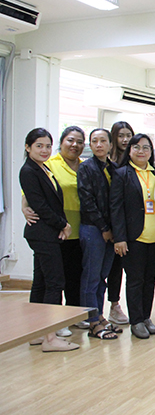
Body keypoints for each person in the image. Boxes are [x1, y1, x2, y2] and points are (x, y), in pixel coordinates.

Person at [23, 126, 86, 336]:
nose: (44, 150)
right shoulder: (38, 168)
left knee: (50, 279)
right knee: (53, 281)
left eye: (47, 146)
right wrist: (62, 224)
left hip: (65, 229)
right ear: (28, 147)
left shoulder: (44, 169)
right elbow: (37, 200)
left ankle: (40, 328)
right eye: (39, 146)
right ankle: (51, 328)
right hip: (50, 230)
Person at [110, 134, 155, 339]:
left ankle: (146, 316)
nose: (141, 151)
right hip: (133, 237)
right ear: (129, 150)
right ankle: (136, 320)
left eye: (146, 147)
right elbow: (116, 207)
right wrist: (119, 237)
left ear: (151, 152)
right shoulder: (122, 173)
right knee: (135, 280)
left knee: (150, 280)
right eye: (137, 147)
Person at [77, 128, 120, 340]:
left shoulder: (115, 168)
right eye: (94, 141)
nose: (99, 145)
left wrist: (113, 230)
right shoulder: (86, 168)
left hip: (111, 231)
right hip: (93, 228)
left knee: (102, 276)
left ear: (111, 145)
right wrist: (104, 228)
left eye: (103, 141)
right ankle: (92, 321)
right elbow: (87, 201)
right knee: (91, 277)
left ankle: (100, 315)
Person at [107, 121, 135, 325]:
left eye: (128, 135)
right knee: (112, 268)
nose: (125, 140)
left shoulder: (134, 163)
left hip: (131, 225)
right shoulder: (109, 163)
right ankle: (113, 304)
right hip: (110, 224)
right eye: (120, 135)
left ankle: (117, 306)